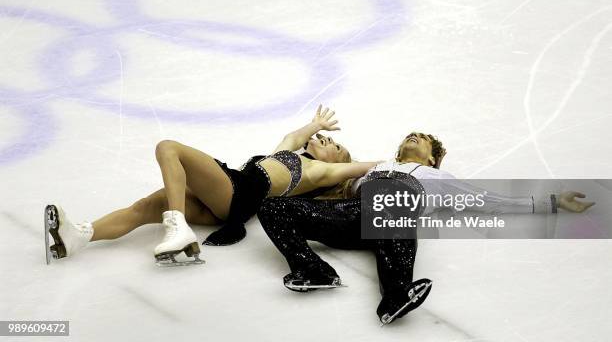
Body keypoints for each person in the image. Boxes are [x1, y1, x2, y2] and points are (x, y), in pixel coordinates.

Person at [258, 132, 595, 324]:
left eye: (422, 139)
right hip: (352, 216)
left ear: (433, 159)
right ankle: (315, 271)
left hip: (395, 217)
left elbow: (491, 200)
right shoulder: (374, 168)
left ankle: (395, 296)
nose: (413, 136)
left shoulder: (440, 179)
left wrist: (551, 202)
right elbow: (328, 176)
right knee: (273, 207)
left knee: (394, 212)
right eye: (410, 135)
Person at [44, 105, 378, 266]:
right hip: (227, 203)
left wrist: (408, 165)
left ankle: (177, 228)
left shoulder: (319, 172)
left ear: (337, 164)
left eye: (333, 144)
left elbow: (363, 166)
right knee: (146, 206)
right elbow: (293, 137)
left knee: (168, 147)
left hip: (236, 192)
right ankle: (79, 235)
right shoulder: (290, 156)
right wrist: (314, 124)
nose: (324, 139)